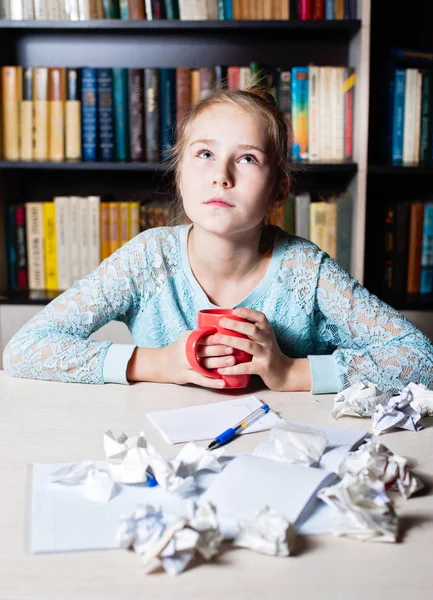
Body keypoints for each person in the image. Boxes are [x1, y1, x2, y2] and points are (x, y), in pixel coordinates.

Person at [3, 87, 433, 393]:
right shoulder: (148, 258)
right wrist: (159, 364)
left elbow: (421, 359)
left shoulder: (305, 269)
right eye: (205, 154)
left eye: (247, 158)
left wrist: (288, 372)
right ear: (180, 174)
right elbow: (24, 350)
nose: (221, 175)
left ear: (279, 190)